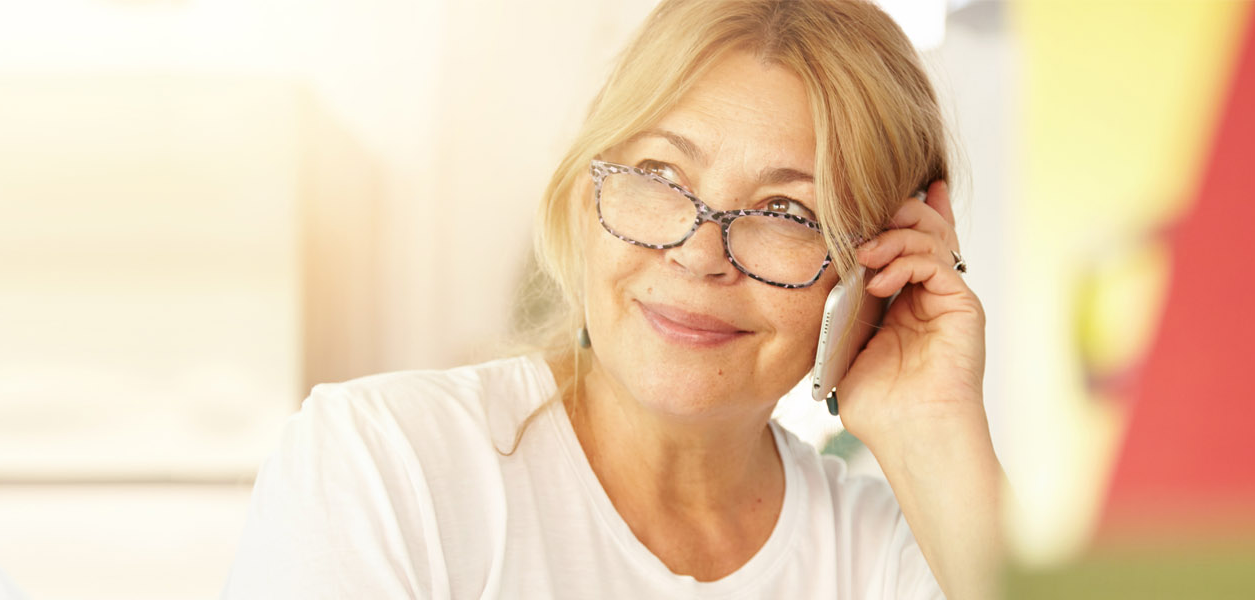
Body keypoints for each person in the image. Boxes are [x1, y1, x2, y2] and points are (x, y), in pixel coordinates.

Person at [224, 0, 1004, 598]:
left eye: (787, 214)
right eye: (662, 177)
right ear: (583, 194)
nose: (700, 255)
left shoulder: (901, 554)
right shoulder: (386, 465)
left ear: (875, 277)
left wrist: (933, 428)